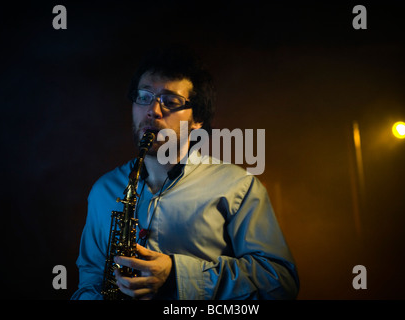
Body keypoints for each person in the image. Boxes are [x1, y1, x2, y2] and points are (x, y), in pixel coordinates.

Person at [71, 45, 299, 300]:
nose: (152, 111)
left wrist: (176, 277)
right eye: (143, 96)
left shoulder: (238, 186)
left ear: (197, 119)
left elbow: (280, 283)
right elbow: (90, 278)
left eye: (170, 102)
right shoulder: (103, 190)